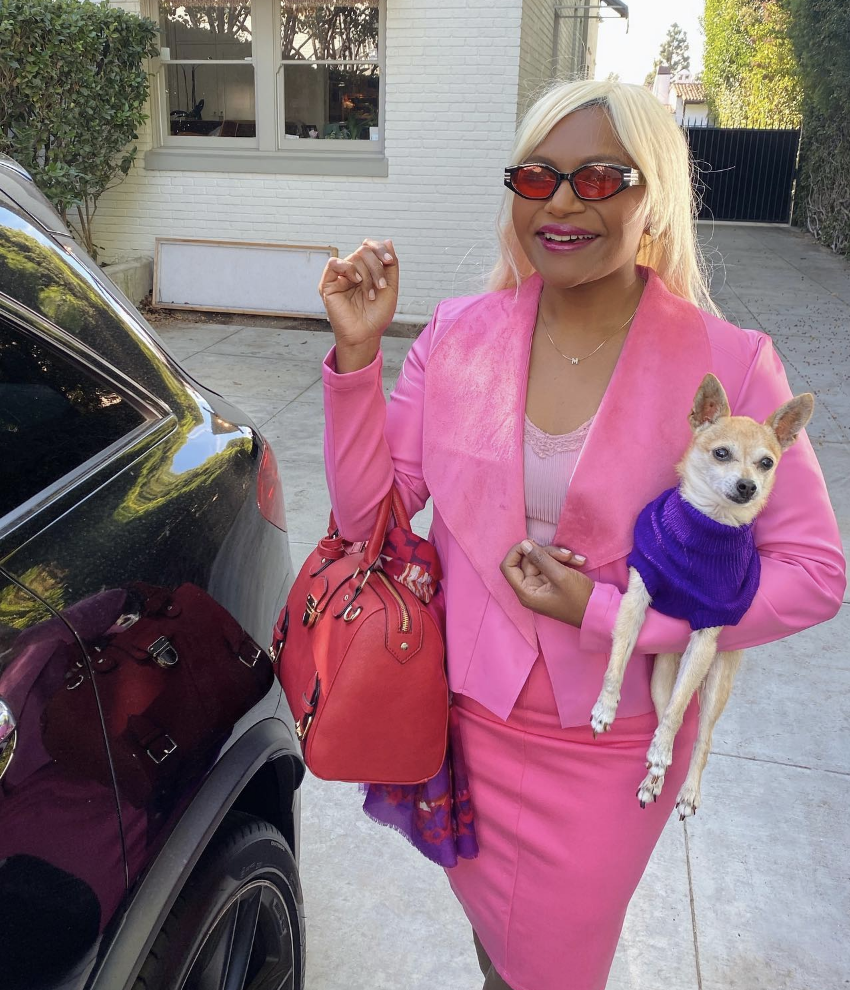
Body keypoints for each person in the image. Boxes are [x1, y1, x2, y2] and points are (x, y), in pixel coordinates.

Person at [317, 79, 845, 990]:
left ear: (654, 199)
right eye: (538, 177)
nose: (561, 202)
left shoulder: (731, 361)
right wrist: (358, 363)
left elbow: (814, 570)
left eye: (601, 178)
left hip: (613, 738)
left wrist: (612, 613)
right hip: (459, 718)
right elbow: (371, 522)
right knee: (496, 951)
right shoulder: (456, 334)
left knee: (556, 969)